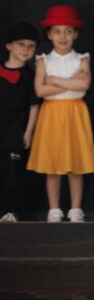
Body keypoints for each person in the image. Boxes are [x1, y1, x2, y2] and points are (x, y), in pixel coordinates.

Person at [27, 5, 94, 222]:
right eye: (57, 31)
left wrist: (54, 80)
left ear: (75, 34)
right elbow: (40, 91)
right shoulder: (43, 60)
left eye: (68, 31)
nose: (63, 36)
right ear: (49, 34)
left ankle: (75, 208)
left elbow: (83, 87)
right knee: (53, 163)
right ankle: (54, 208)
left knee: (76, 163)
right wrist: (70, 82)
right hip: (51, 113)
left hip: (75, 111)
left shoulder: (82, 58)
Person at [0, 23, 40, 222]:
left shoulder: (32, 76)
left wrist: (29, 131)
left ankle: (11, 211)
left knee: (12, 173)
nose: (26, 49)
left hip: (15, 130)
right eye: (21, 44)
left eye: (31, 46)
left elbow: (34, 105)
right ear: (9, 46)